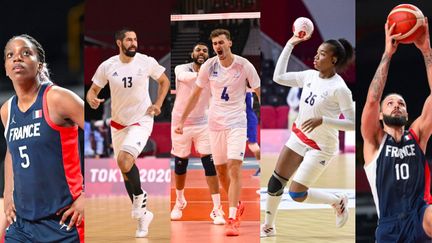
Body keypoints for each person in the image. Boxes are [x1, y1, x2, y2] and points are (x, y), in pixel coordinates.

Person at [260, 33, 355, 237]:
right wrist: (289, 43)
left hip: (321, 147)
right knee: (275, 182)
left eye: (322, 54)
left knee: (296, 193)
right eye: (317, 53)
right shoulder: (309, 76)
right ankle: (268, 226)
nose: (316, 57)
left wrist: (324, 120)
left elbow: (353, 124)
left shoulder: (340, 89)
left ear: (333, 60)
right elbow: (278, 77)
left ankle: (336, 200)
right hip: (299, 136)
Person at [175, 28, 261, 236]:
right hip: (214, 124)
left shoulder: (244, 65)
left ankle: (232, 217)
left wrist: (263, 120)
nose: (218, 47)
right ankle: (237, 204)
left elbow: (258, 90)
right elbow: (195, 94)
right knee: (221, 171)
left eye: (221, 43)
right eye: (215, 44)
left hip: (236, 123)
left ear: (230, 43)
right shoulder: (209, 66)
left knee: (234, 167)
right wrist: (182, 120)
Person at [86, 28, 170, 238]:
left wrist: (158, 103)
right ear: (119, 43)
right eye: (129, 40)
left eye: (135, 39)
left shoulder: (145, 61)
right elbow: (93, 90)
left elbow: (164, 81)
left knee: (124, 160)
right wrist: (91, 99)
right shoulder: (108, 66)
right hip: (118, 124)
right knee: (125, 170)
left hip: (141, 119)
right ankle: (143, 216)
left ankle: (140, 197)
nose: (134, 43)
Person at [2, 34, 84, 242]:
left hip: (64, 221)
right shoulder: (7, 110)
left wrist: (87, 197)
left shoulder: (58, 98)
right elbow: (12, 151)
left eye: (26, 53)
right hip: (22, 224)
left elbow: (103, 134)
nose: (17, 58)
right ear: (6, 68)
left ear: (39, 65)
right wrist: (8, 192)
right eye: (10, 55)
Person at [361, 20, 432, 242]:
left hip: (418, 215)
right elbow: (372, 100)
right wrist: (387, 54)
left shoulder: (417, 134)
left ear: (408, 112)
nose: (397, 105)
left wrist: (427, 50)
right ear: (380, 115)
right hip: (389, 225)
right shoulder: (374, 142)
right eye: (390, 103)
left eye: (401, 103)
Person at [170, 42, 225, 224]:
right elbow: (186, 77)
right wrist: (208, 74)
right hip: (180, 123)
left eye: (204, 51)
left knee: (209, 165)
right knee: (180, 165)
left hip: (203, 123)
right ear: (192, 53)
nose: (201, 52)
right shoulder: (181, 69)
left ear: (208, 55)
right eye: (198, 50)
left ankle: (217, 209)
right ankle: (179, 201)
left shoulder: (213, 73)